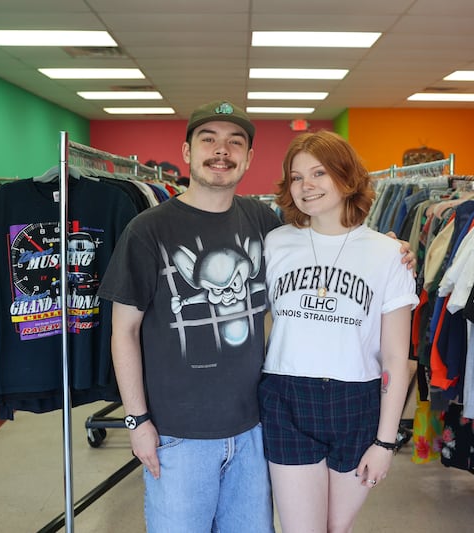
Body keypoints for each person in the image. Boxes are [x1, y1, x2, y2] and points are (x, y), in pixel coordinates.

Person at [98, 100, 414, 533]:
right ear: (187, 152)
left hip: (254, 424)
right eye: (208, 140)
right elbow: (124, 331)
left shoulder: (263, 223)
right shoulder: (149, 229)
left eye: (234, 143)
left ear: (248, 158)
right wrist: (135, 420)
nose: (220, 151)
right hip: (182, 429)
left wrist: (392, 249)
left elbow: (333, 243)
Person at [259, 130, 418, 532]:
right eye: (296, 177)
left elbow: (398, 358)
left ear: (346, 177)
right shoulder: (274, 244)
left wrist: (385, 442)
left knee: (337, 528)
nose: (306, 186)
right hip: (286, 396)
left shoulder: (389, 254)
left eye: (318, 173)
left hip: (357, 401)